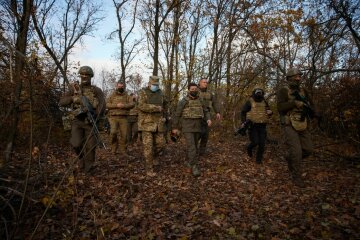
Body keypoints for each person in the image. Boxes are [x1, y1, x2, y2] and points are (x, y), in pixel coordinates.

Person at [59, 66, 105, 173]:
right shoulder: (74, 89)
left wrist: (95, 115)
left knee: (91, 146)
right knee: (76, 144)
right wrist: (73, 98)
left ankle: (88, 168)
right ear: (80, 76)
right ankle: (81, 158)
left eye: (87, 75)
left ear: (90, 77)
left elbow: (102, 105)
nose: (84, 76)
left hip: (91, 122)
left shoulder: (96, 90)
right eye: (82, 75)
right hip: (77, 121)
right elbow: (61, 102)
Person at [276, 68, 315, 187]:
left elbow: (311, 104)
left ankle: (290, 158)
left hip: (302, 123)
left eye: (299, 76)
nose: (298, 78)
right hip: (289, 124)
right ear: (289, 78)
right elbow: (280, 108)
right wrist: (294, 103)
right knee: (297, 152)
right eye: (296, 76)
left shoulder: (303, 90)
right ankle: (296, 177)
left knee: (308, 150)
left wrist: (314, 112)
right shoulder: (283, 90)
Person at [172, 83, 211, 177]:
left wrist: (208, 119)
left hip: (198, 126)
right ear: (188, 90)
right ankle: (194, 167)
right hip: (187, 127)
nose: (194, 90)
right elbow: (177, 114)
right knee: (192, 147)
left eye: (195, 89)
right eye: (192, 89)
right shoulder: (183, 101)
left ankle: (190, 162)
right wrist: (175, 127)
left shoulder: (200, 100)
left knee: (195, 146)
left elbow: (205, 111)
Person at [137, 76, 168, 177]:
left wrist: (166, 116)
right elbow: (141, 105)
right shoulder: (143, 92)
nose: (155, 86)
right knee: (148, 147)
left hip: (159, 124)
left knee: (161, 144)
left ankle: (154, 157)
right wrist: (155, 108)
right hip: (146, 123)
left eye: (156, 85)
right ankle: (149, 169)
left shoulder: (161, 93)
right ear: (149, 84)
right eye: (153, 85)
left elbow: (166, 105)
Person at [240, 87, 273, 164]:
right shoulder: (250, 101)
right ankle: (249, 148)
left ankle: (258, 160)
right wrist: (243, 122)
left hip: (262, 125)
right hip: (252, 125)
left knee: (262, 144)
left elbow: (269, 112)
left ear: (262, 94)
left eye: (260, 93)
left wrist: (270, 113)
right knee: (255, 142)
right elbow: (243, 112)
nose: (259, 94)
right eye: (257, 93)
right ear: (254, 93)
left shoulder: (264, 102)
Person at [106, 80, 135, 158]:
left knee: (124, 135)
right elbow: (107, 104)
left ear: (124, 86)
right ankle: (113, 149)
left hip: (124, 118)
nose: (120, 87)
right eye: (119, 86)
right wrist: (116, 105)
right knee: (113, 132)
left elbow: (132, 104)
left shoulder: (127, 95)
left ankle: (123, 150)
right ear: (116, 86)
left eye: (122, 86)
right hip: (113, 117)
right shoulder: (112, 95)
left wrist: (124, 106)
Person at [198, 78, 221, 155]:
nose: (205, 83)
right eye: (204, 82)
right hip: (197, 116)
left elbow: (214, 103)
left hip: (207, 116)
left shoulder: (210, 94)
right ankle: (192, 150)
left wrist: (217, 112)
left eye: (206, 82)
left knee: (206, 134)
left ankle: (202, 151)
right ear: (199, 83)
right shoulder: (195, 92)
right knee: (198, 134)